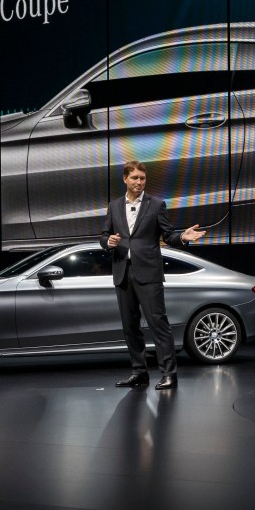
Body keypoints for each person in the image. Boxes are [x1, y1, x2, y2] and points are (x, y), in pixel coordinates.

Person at [100, 161, 205, 390]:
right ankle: (139, 372)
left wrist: (183, 237)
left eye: (143, 178)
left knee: (158, 324)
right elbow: (104, 235)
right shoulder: (114, 206)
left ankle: (169, 374)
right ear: (125, 179)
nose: (139, 182)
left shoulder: (156, 205)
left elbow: (168, 235)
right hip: (123, 272)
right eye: (135, 178)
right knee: (130, 327)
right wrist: (108, 242)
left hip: (148, 273)